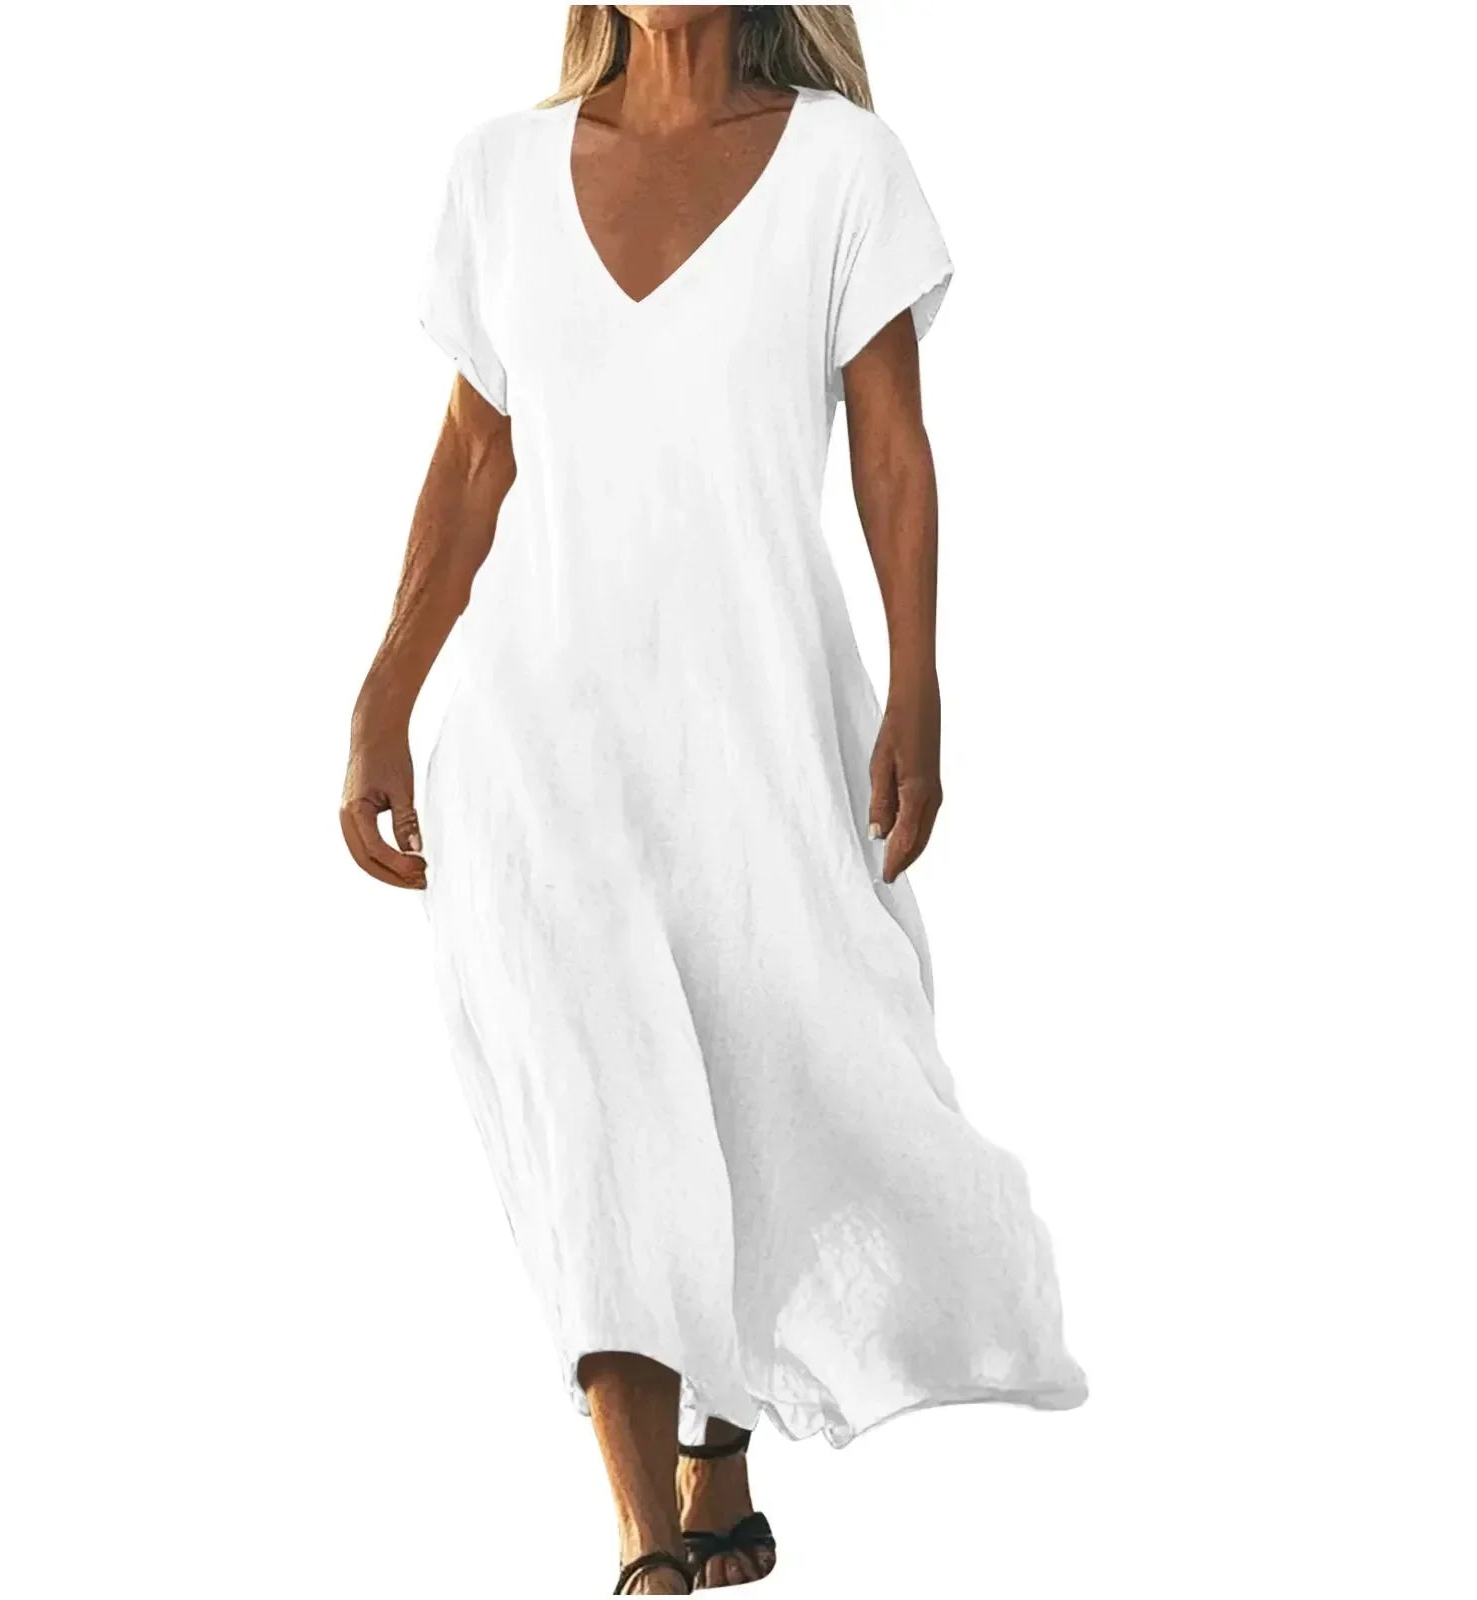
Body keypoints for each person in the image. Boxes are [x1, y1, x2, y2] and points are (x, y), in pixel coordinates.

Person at [340, 6, 1085, 1591]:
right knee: (597, 1099)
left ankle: (719, 1449)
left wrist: (920, 681)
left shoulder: (846, 170)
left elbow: (894, 451)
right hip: (539, 732)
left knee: (763, 1073)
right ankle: (646, 1531)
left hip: (758, 716)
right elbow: (472, 457)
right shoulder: (497, 173)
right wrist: (384, 694)